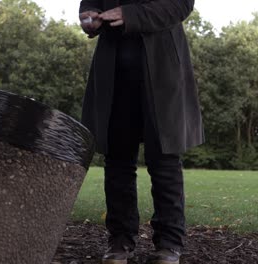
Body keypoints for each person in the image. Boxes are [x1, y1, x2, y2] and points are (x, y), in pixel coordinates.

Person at [79, 0, 204, 263]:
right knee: (117, 161)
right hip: (114, 71)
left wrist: (130, 14)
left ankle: (169, 244)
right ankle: (120, 241)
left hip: (163, 70)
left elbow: (181, 4)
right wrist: (88, 14)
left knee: (165, 160)